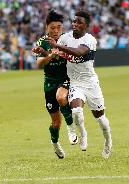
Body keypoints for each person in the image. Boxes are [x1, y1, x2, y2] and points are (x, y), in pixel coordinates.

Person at [46, 10, 112, 158]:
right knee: (76, 111)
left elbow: (78, 52)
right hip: (75, 83)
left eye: (79, 22)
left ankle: (108, 143)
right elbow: (55, 53)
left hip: (91, 83)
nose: (75, 24)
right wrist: (43, 52)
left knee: (101, 119)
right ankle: (83, 134)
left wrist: (58, 46)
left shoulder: (90, 40)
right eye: (74, 21)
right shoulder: (65, 38)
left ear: (86, 25)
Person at [32, 10, 79, 159]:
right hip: (49, 83)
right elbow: (38, 63)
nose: (56, 30)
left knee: (61, 97)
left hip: (66, 79)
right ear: (47, 27)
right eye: (53, 27)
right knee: (56, 123)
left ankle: (71, 128)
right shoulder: (42, 43)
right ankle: (55, 143)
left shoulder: (67, 40)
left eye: (59, 27)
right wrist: (50, 56)